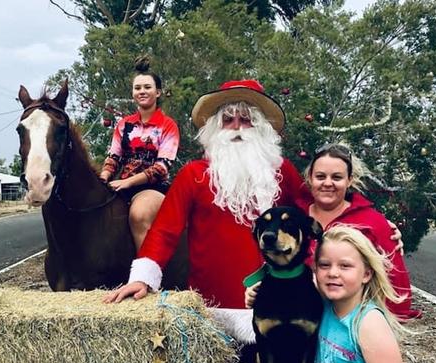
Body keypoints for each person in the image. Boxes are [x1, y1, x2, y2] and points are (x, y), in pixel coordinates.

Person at [103, 79, 312, 309]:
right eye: (228, 120)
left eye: (246, 120)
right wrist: (142, 277)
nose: (236, 127)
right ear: (216, 127)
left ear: (260, 127)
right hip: (212, 309)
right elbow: (164, 230)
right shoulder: (193, 174)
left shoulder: (282, 171)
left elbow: (312, 216)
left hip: (276, 306)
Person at [299, 143, 421, 321]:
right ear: (310, 178)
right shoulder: (292, 218)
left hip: (350, 324)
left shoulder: (372, 222)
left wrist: (380, 326)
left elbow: (396, 283)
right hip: (299, 325)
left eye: (337, 177)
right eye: (320, 176)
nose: (327, 183)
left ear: (350, 180)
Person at [98, 56, 180, 251]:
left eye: (147, 87)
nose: (142, 91)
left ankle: (145, 274)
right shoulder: (123, 124)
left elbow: (161, 168)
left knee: (139, 215)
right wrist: (103, 177)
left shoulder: (168, 126)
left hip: (154, 188)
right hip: (120, 185)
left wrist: (127, 182)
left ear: (158, 92)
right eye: (137, 88)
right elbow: (114, 157)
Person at [314, 225, 405, 363]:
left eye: (345, 266)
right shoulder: (323, 304)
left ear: (366, 274)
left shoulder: (370, 323)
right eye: (324, 265)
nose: (332, 273)